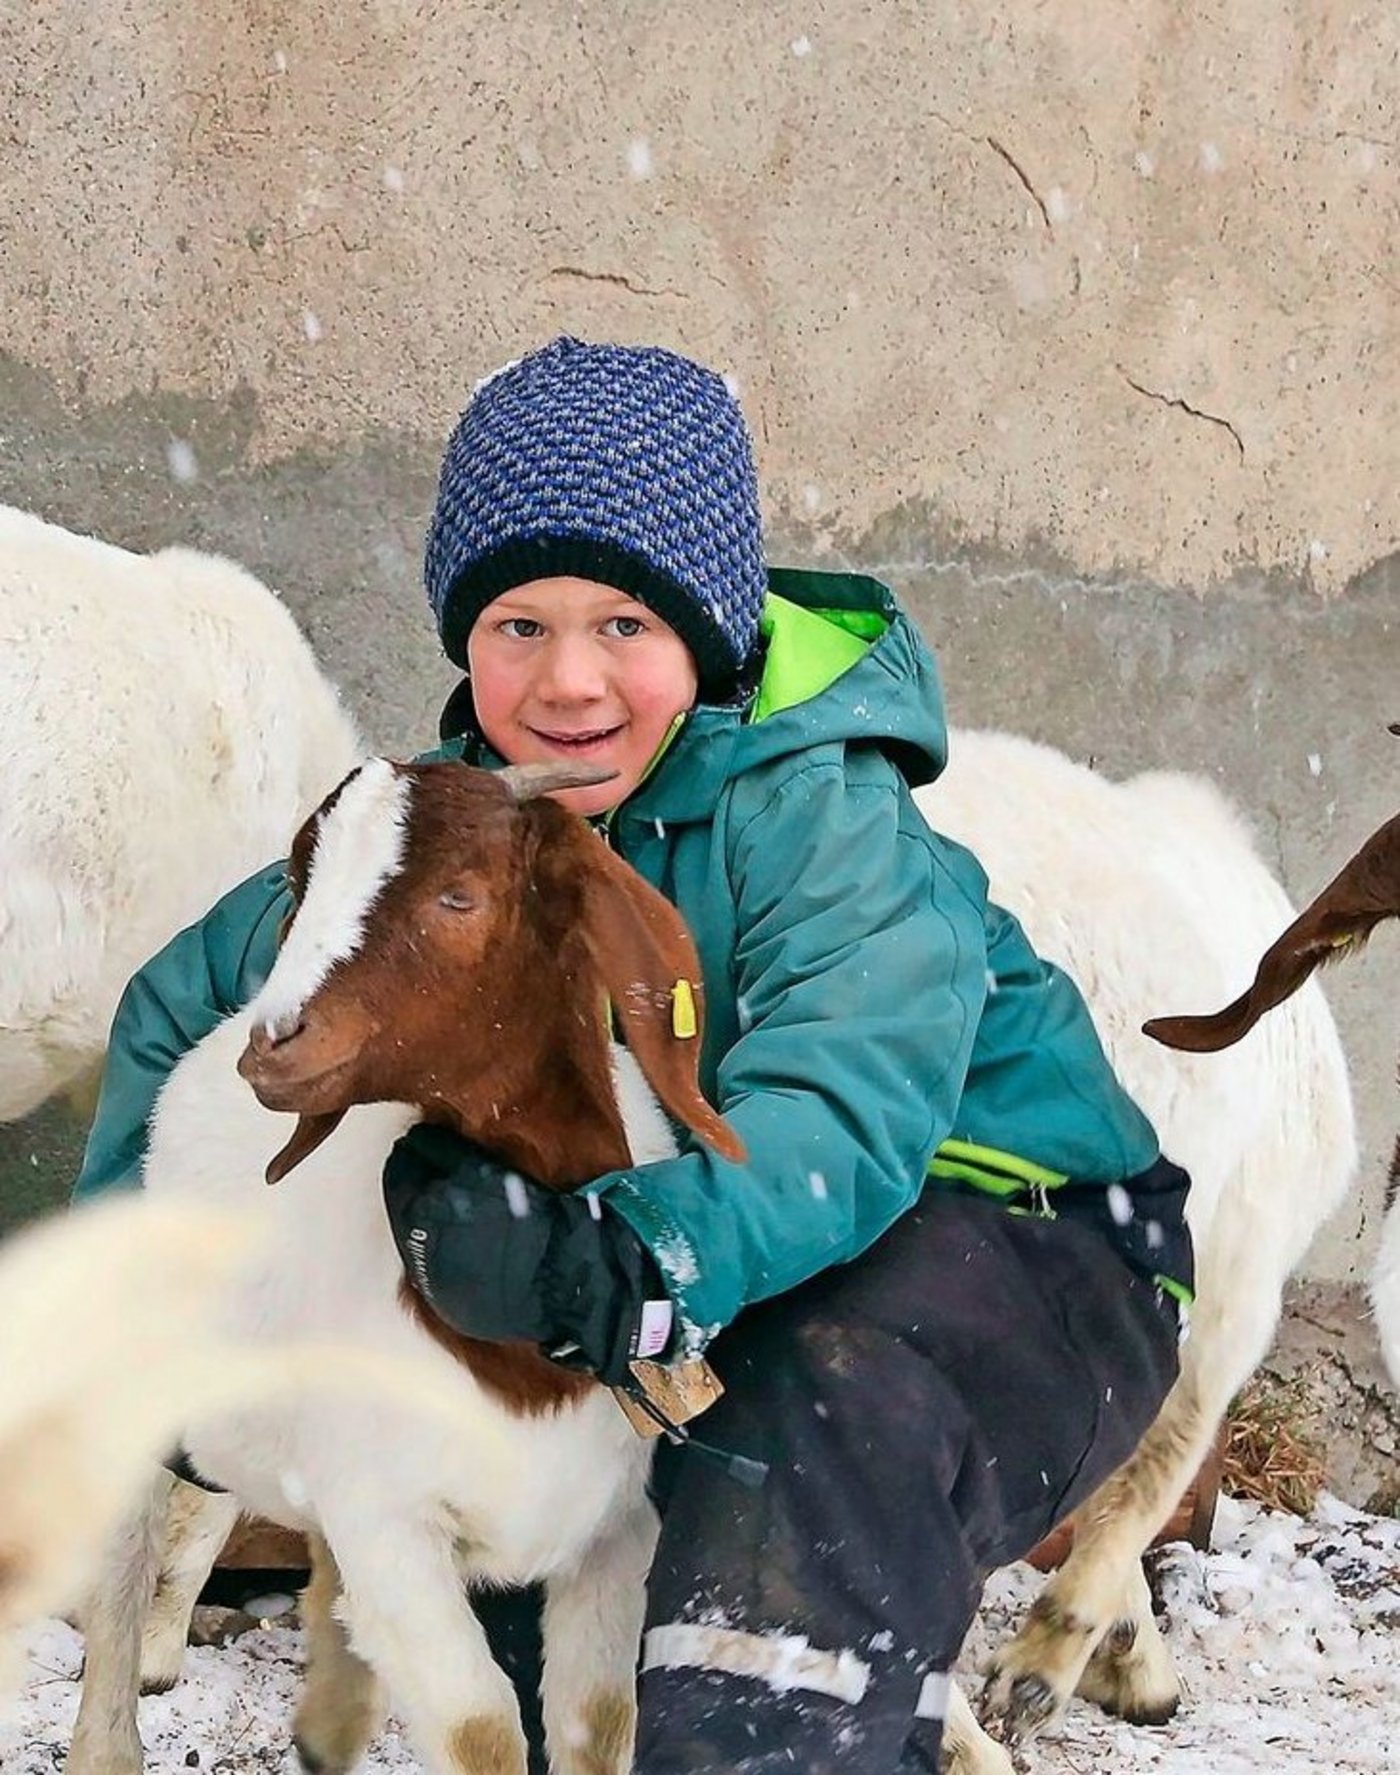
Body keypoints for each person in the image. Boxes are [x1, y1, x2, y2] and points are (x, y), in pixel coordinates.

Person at [75, 336, 1192, 1774]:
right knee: (566, 1628)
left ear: (711, 637)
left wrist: (613, 1263)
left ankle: (795, 1716)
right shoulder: (451, 836)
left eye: (624, 626)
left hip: (1020, 1241)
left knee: (783, 1484)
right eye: (517, 628)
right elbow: (191, 994)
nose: (568, 681)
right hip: (686, 1260)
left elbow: (837, 1110)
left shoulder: (819, 818)